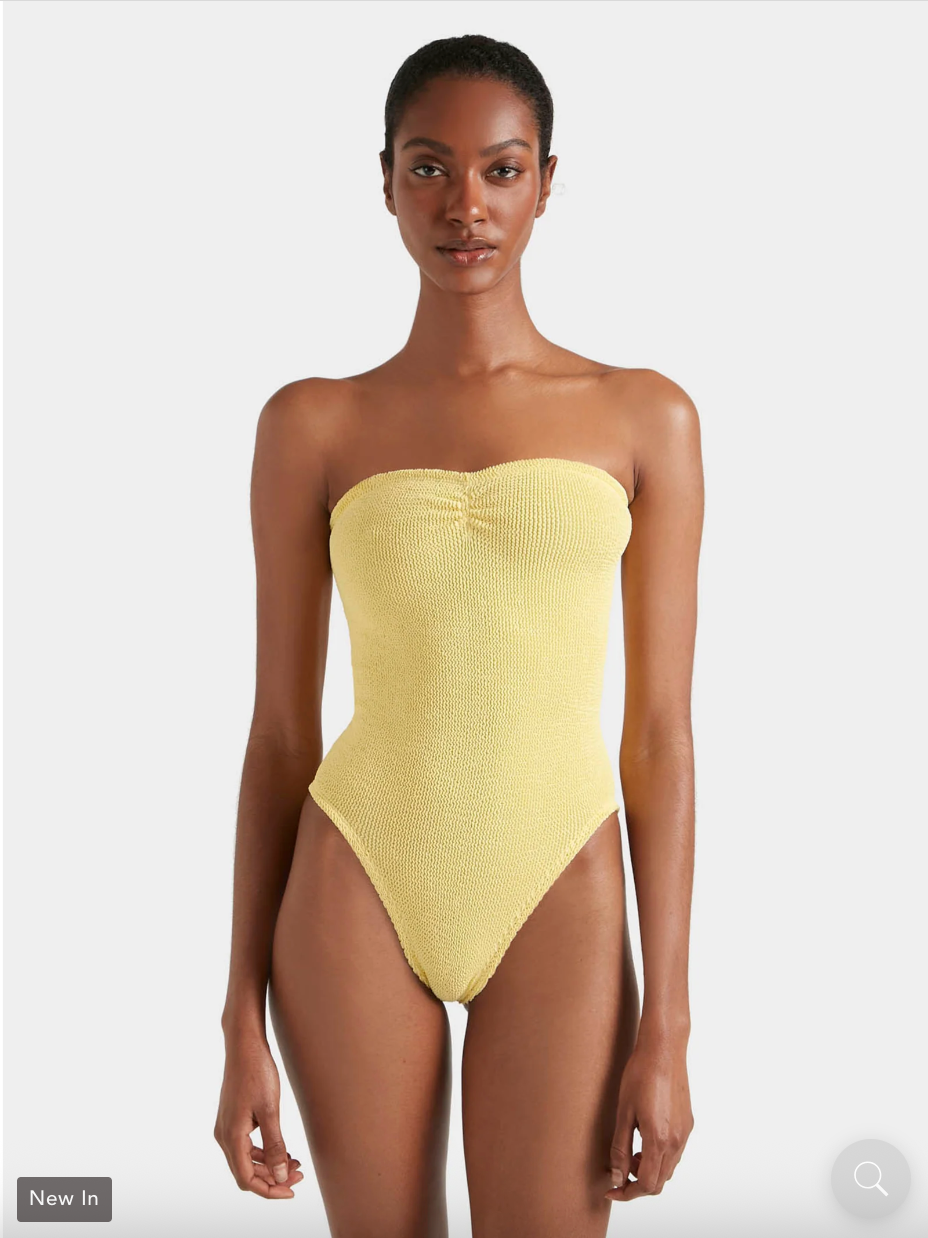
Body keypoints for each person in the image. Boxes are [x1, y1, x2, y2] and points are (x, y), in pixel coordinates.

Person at [214, 32, 702, 1238]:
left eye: (500, 169)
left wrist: (670, 1026)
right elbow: (279, 733)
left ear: (546, 182)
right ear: (384, 182)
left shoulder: (644, 416)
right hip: (356, 870)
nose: (464, 205)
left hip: (560, 871)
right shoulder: (311, 424)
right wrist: (236, 1019)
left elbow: (658, 736)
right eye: (428, 167)